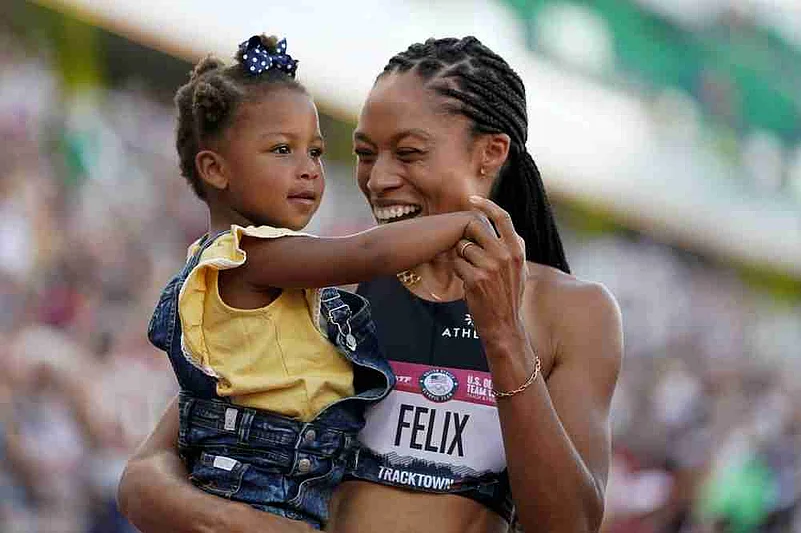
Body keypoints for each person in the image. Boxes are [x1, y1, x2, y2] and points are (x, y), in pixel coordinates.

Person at [119, 36, 623, 533]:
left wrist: (504, 336)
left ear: (490, 154)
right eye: (364, 153)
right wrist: (243, 524)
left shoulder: (572, 312)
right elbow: (146, 476)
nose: (379, 179)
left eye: (408, 153)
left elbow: (569, 524)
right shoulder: (327, 283)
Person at [151, 34, 492, 530]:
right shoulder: (247, 256)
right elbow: (365, 254)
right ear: (215, 169)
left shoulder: (263, 263)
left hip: (289, 475)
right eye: (282, 150)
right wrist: (465, 222)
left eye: (314, 152)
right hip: (255, 476)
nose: (309, 170)